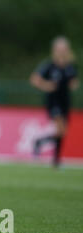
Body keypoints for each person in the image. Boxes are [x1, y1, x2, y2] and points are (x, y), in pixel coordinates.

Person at [30, 36, 79, 168]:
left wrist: (73, 84)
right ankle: (51, 155)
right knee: (60, 128)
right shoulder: (49, 66)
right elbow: (35, 79)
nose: (62, 51)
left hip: (65, 101)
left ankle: (51, 155)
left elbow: (73, 82)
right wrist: (46, 85)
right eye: (59, 49)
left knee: (62, 132)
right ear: (55, 50)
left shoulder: (70, 67)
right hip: (53, 101)